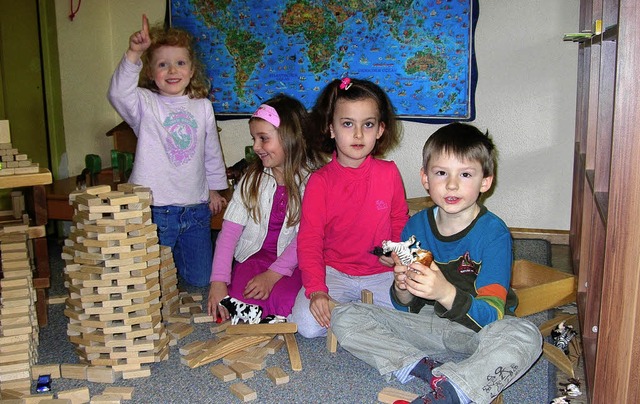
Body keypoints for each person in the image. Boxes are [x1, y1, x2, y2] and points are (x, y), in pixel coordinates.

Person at [331, 123, 543, 404]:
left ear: (485, 181)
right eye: (441, 173)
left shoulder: (494, 234)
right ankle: (419, 366)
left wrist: (444, 292)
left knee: (526, 335)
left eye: (465, 174)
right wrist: (404, 287)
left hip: (480, 332)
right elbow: (407, 305)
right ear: (425, 178)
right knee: (345, 315)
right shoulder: (415, 226)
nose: (452, 185)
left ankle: (456, 390)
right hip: (429, 325)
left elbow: (492, 314)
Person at [108, 15, 227, 287]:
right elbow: (117, 93)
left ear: (192, 70)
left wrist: (214, 188)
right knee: (152, 281)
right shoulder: (144, 104)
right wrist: (134, 53)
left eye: (180, 63)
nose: (172, 70)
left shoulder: (202, 106)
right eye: (163, 64)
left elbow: (211, 151)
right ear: (151, 72)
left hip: (194, 209)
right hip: (155, 208)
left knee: (200, 280)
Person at [290, 77, 409, 338]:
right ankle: (354, 314)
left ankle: (352, 316)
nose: (358, 134)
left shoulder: (389, 173)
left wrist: (396, 252)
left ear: (379, 130)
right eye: (347, 124)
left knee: (408, 321)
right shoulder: (319, 182)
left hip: (381, 273)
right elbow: (309, 241)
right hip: (333, 272)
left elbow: (400, 219)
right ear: (331, 129)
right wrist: (317, 290)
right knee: (306, 326)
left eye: (367, 124)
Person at [206, 94, 322, 321]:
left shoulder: (313, 183)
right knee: (236, 299)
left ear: (290, 138)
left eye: (263, 138)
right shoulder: (251, 179)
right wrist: (218, 280)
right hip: (254, 258)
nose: (255, 147)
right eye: (254, 139)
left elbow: (305, 240)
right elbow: (229, 234)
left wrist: (272, 275)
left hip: (295, 262)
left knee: (287, 302)